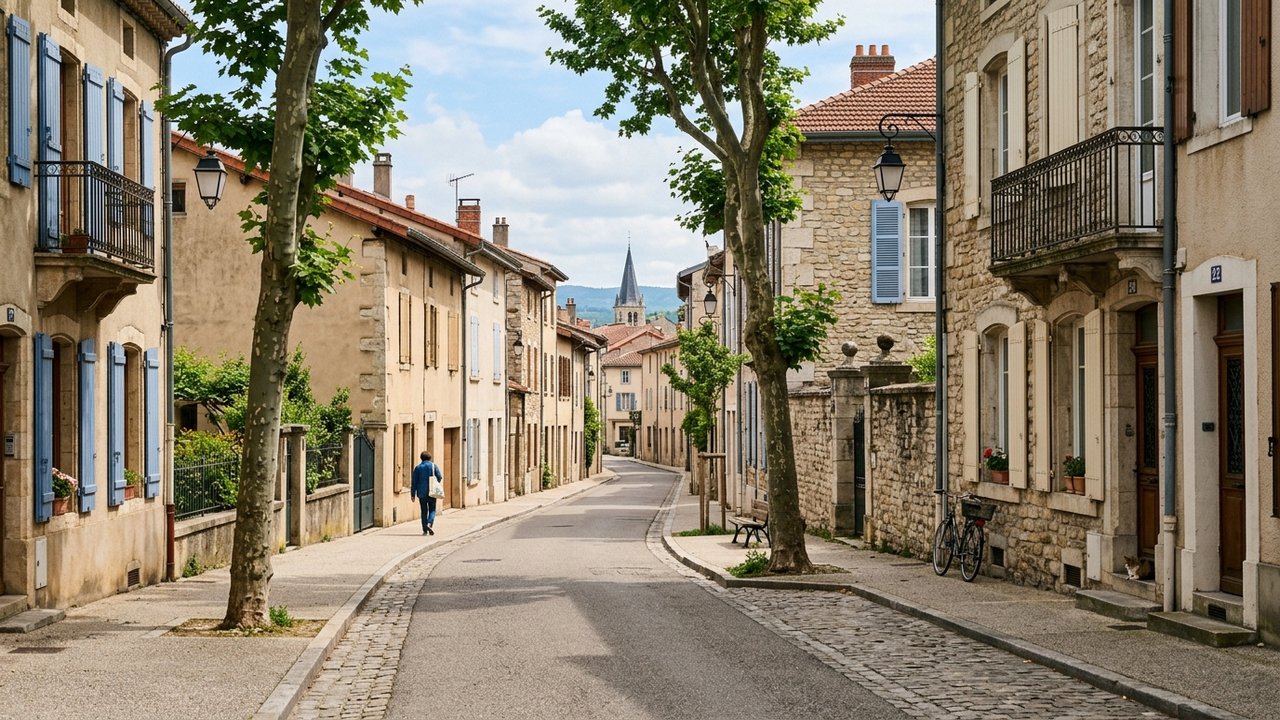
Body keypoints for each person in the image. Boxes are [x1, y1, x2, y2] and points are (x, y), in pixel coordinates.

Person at [410, 451, 443, 535]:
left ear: (421, 458)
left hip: (421, 493)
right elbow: (439, 477)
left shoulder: (418, 468)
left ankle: (424, 529)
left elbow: (414, 482)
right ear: (430, 458)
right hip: (432, 491)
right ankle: (429, 523)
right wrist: (435, 482)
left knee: (424, 511)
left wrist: (413, 494)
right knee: (432, 509)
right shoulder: (433, 466)